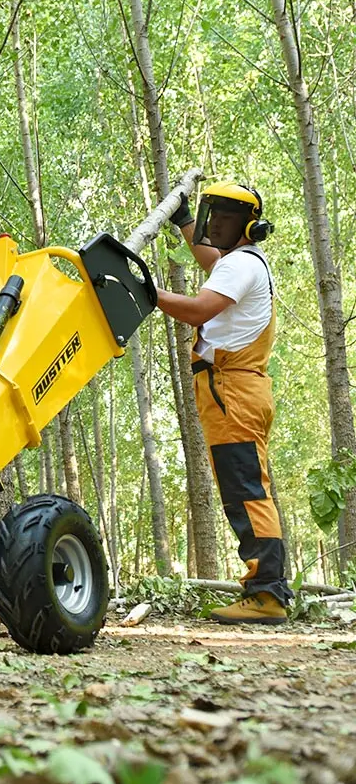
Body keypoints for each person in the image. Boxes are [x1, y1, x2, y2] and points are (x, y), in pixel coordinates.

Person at [156, 182, 291, 624]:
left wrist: (144, 292)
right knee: (246, 487)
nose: (213, 224)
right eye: (210, 214)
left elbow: (197, 310)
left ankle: (267, 593)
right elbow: (212, 259)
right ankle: (265, 587)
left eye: (224, 217)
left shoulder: (242, 265)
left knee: (246, 491)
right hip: (233, 387)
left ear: (249, 225)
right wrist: (184, 224)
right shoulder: (241, 263)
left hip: (232, 388)